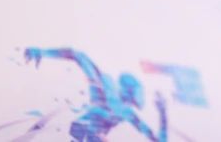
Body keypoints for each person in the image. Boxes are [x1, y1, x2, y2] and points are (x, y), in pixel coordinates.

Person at [24, 48, 168, 142]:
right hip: (82, 131)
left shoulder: (127, 113)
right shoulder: (106, 88)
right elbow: (79, 56)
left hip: (85, 132)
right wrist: (43, 52)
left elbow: (157, 140)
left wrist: (162, 112)